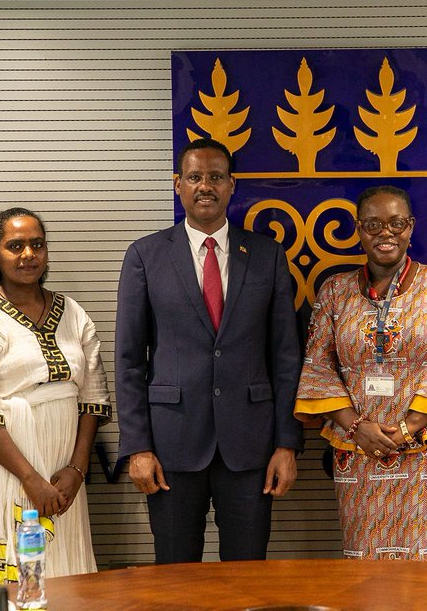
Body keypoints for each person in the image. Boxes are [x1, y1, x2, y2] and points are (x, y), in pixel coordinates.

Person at [294, 185, 427, 560]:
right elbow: (318, 368)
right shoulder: (334, 291)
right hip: (359, 450)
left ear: (411, 227)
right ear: (359, 230)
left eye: (396, 223)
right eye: (373, 224)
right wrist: (356, 426)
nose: (385, 233)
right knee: (364, 563)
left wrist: (409, 426)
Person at [115, 138, 303, 563]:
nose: (206, 186)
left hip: (252, 448)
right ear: (178, 185)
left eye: (216, 177)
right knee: (176, 577)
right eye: (195, 177)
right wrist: (138, 448)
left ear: (232, 185)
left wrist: (286, 444)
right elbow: (128, 361)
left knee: (247, 576)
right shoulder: (145, 255)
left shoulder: (266, 254)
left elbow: (286, 357)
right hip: (170, 446)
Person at [0, 208, 111, 586]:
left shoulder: (72, 312)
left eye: (37, 245)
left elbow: (93, 400)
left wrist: (76, 470)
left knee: (64, 567)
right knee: (12, 574)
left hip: (64, 467)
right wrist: (31, 480)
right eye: (15, 246)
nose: (28, 255)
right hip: (8, 465)